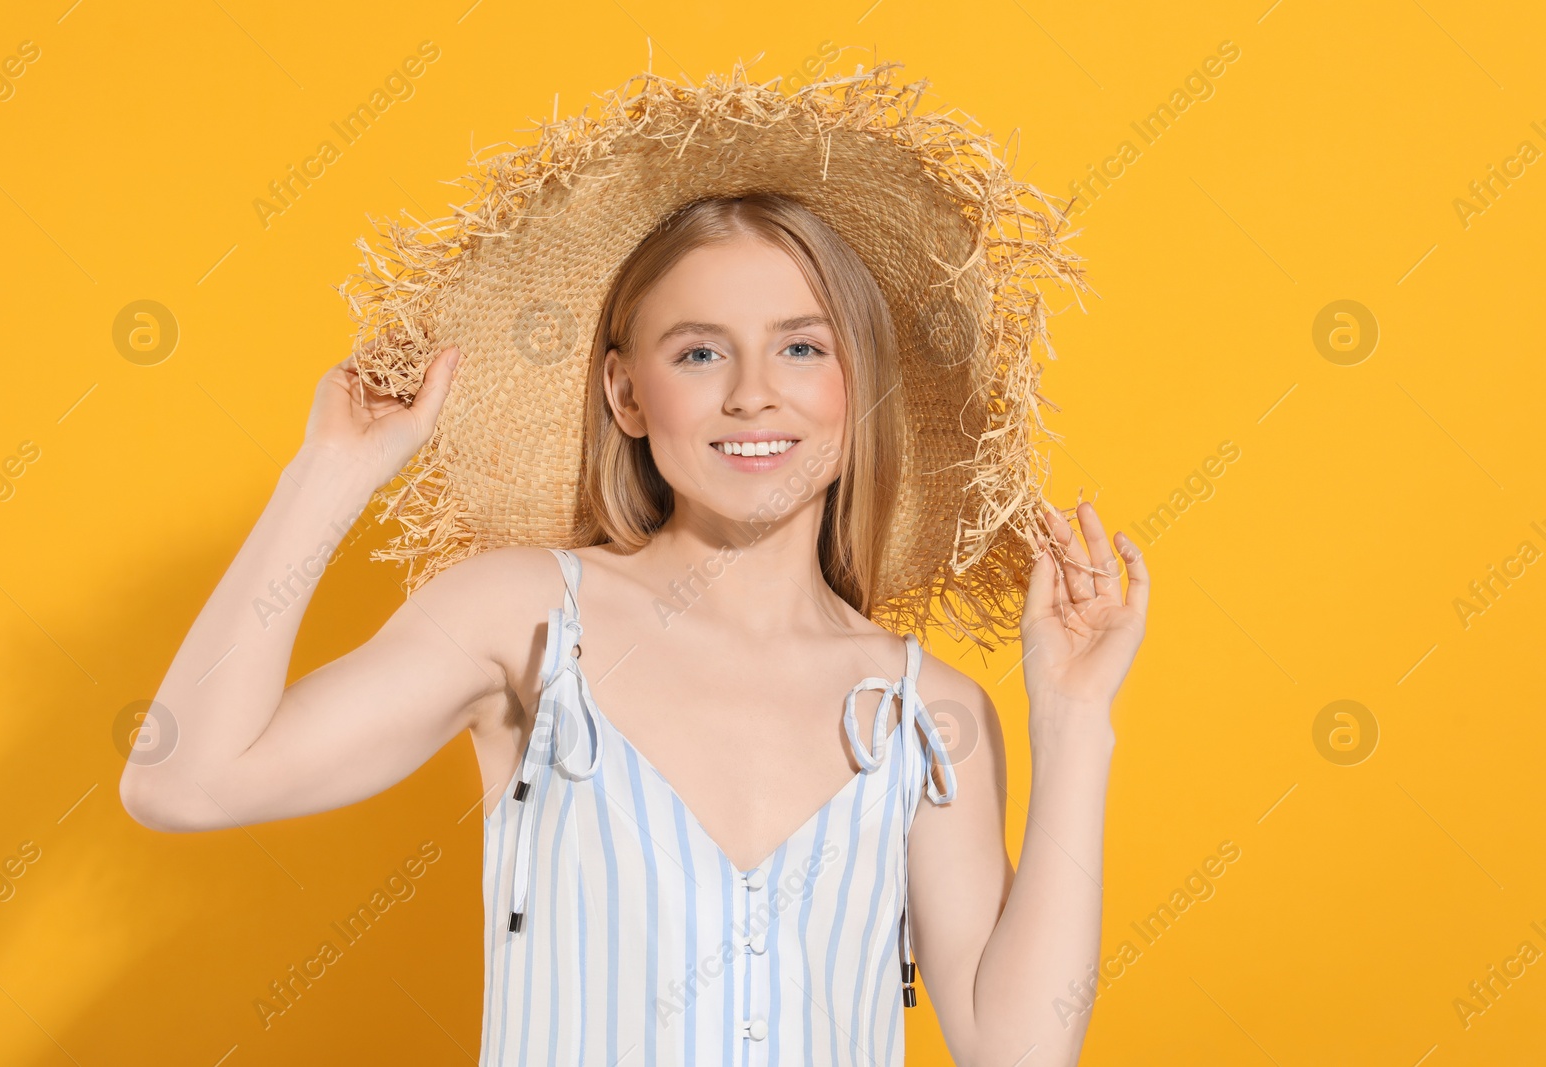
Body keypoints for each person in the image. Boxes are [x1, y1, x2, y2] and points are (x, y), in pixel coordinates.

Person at [120, 63, 1148, 1067]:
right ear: (625, 394)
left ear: (858, 384)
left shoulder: (931, 715)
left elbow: (1016, 1049)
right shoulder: (523, 619)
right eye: (700, 352)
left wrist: (1072, 714)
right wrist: (329, 473)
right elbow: (185, 781)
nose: (754, 394)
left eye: (802, 347)